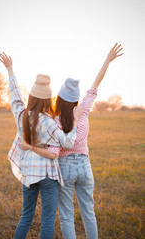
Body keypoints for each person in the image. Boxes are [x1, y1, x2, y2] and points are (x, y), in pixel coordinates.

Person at [19, 43, 123, 239]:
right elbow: (95, 86)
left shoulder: (54, 121)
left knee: (67, 217)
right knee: (89, 214)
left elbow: (53, 152)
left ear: (58, 98)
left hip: (65, 168)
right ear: (75, 99)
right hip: (85, 166)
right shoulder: (82, 109)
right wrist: (107, 60)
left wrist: (31, 147)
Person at [0, 52, 83, 239]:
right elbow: (68, 142)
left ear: (31, 97)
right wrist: (75, 123)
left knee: (25, 216)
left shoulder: (21, 115)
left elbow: (14, 96)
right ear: (48, 99)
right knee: (47, 220)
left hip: (29, 172)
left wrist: (10, 69)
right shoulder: (50, 123)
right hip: (48, 175)